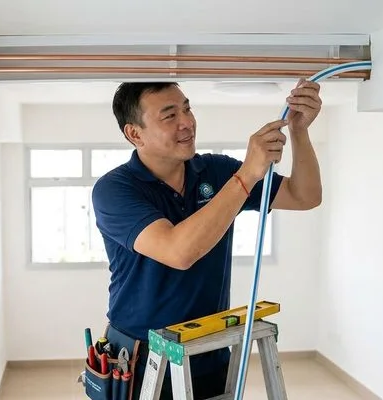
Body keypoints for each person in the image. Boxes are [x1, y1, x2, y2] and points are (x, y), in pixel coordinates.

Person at [90, 80, 323, 399]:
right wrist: (246, 175)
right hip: (143, 359)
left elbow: (304, 195)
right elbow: (179, 251)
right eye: (169, 115)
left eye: (187, 108)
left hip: (209, 350)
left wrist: (299, 131)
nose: (187, 122)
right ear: (135, 134)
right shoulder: (115, 190)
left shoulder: (215, 171)